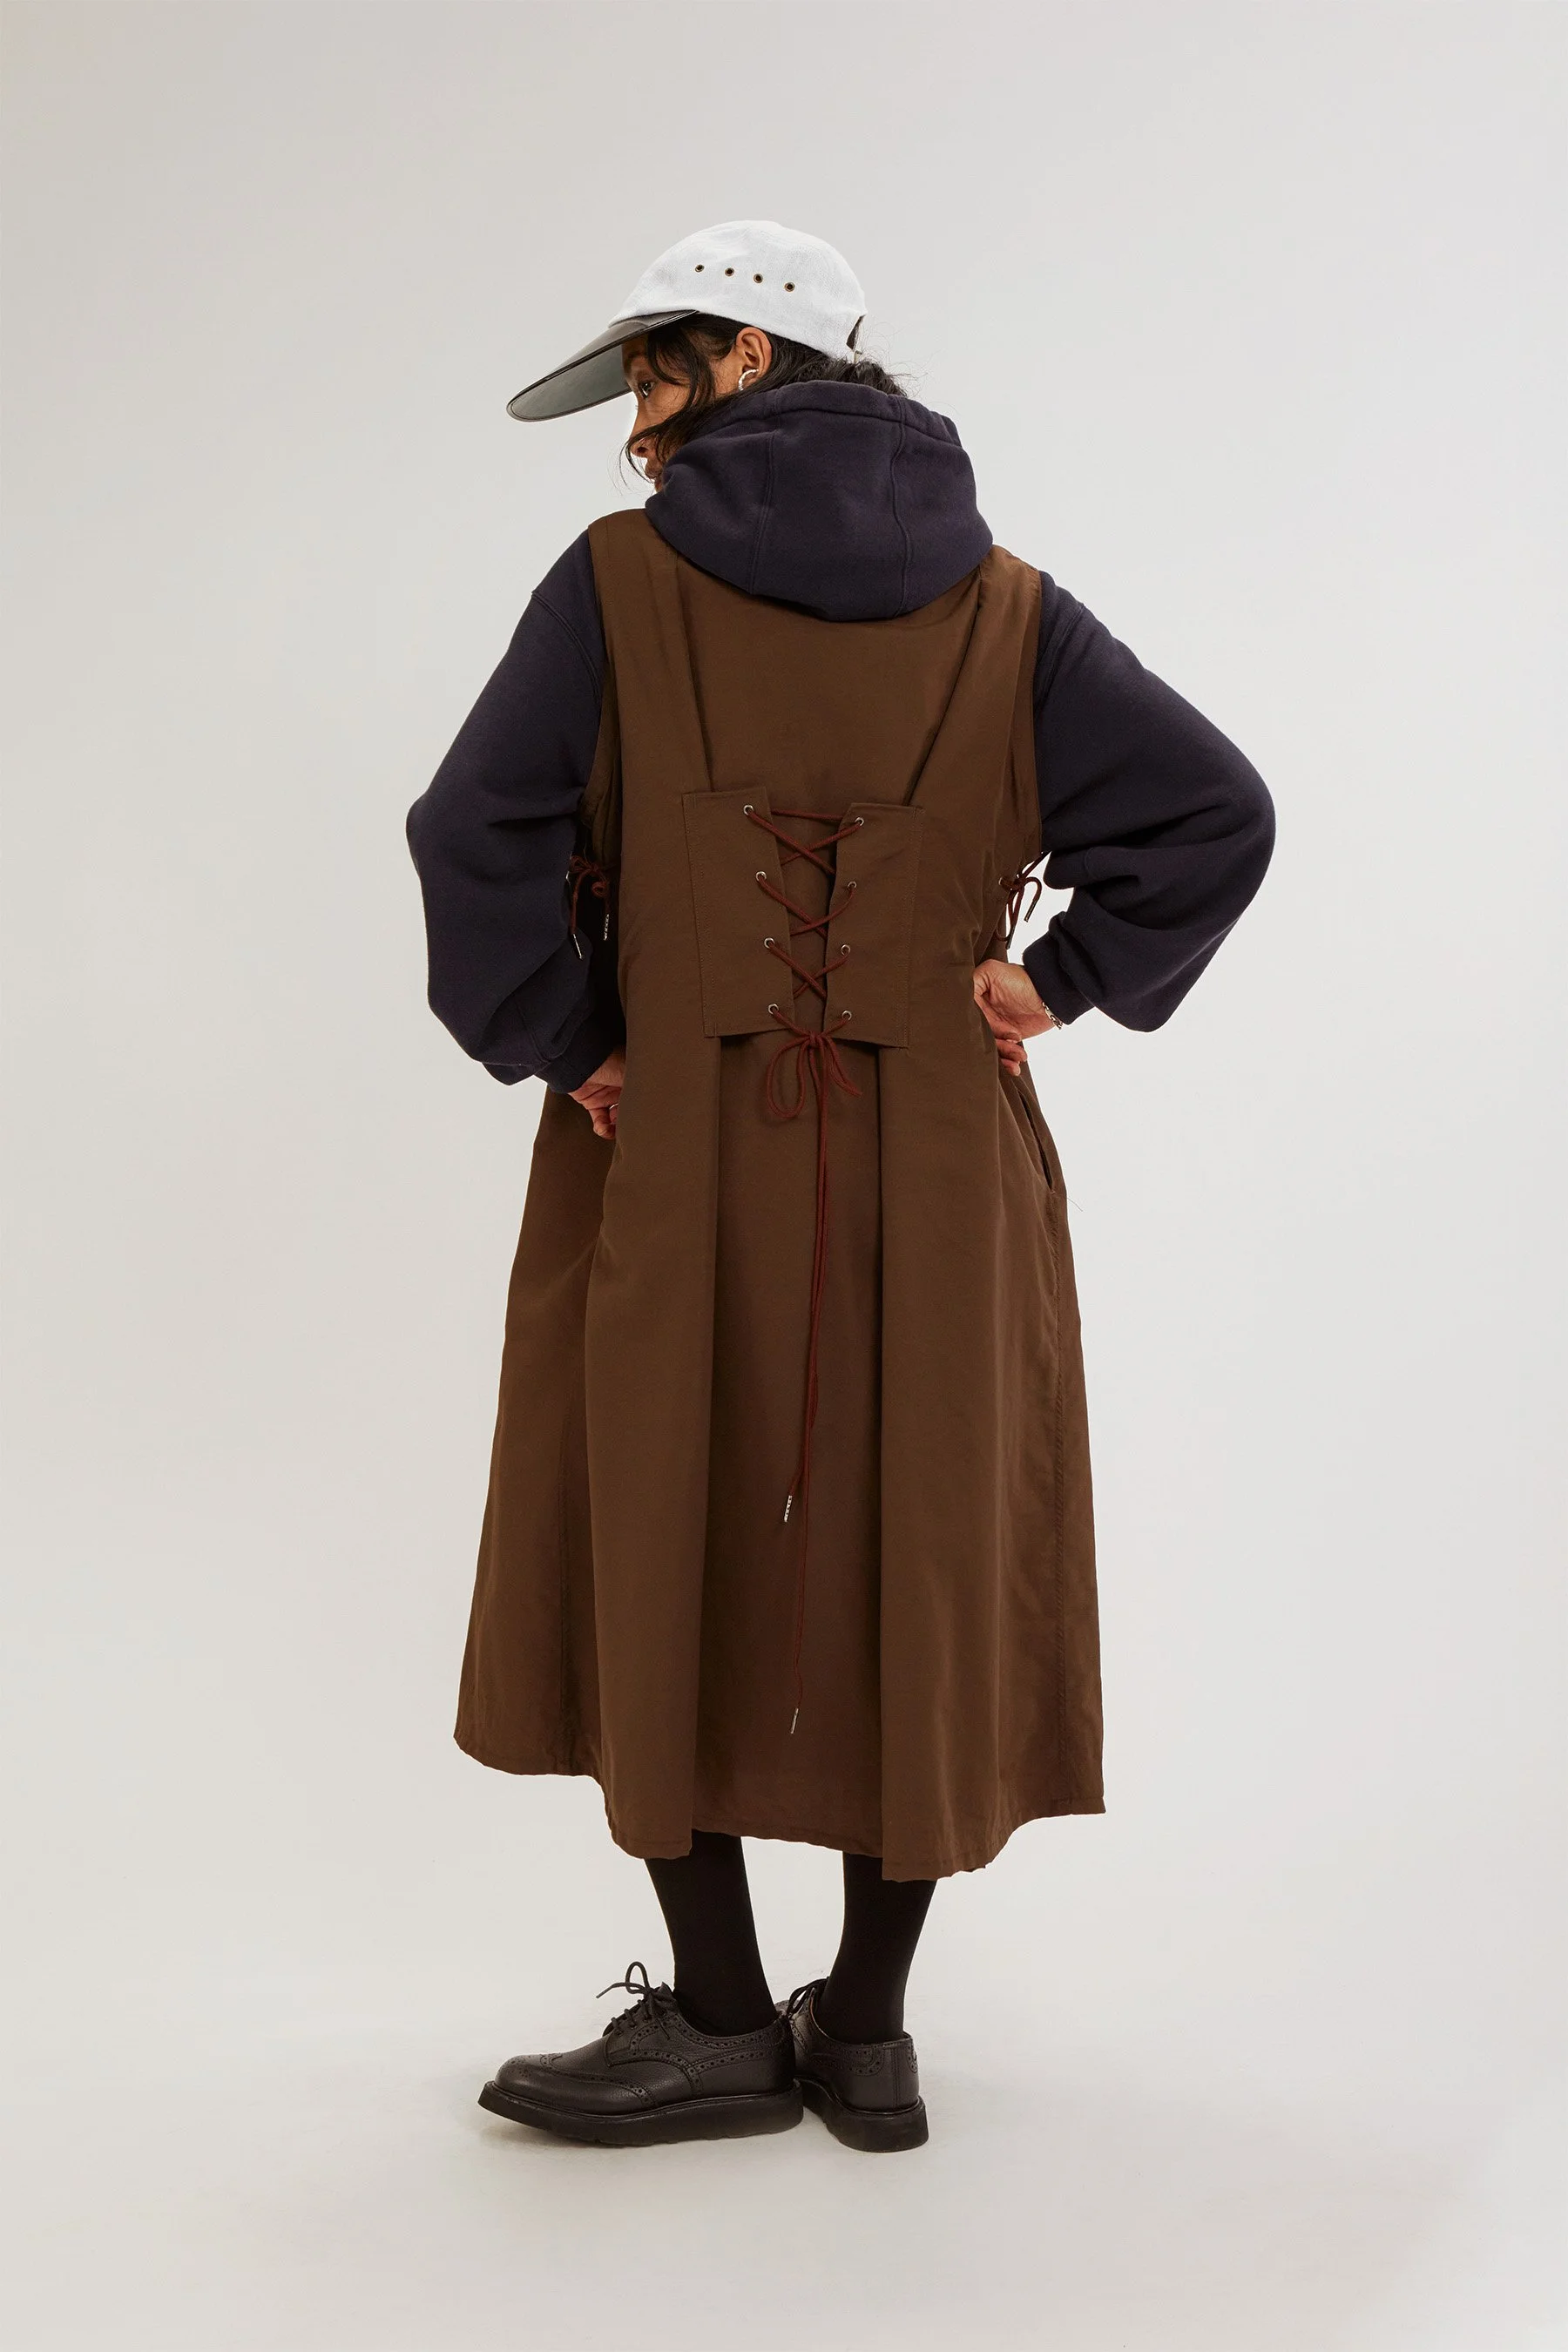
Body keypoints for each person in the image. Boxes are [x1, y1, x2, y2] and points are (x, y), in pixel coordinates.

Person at [407, 220, 1274, 2154]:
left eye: (651, 376)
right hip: (942, 1169)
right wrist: (1049, 984)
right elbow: (1217, 810)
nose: (635, 431)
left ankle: (725, 2022)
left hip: (674, 1145)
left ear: (742, 357)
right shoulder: (1013, 610)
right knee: (926, 1539)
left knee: (658, 1514)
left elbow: (471, 827)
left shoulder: (618, 584)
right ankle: (865, 2033)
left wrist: (574, 1033)